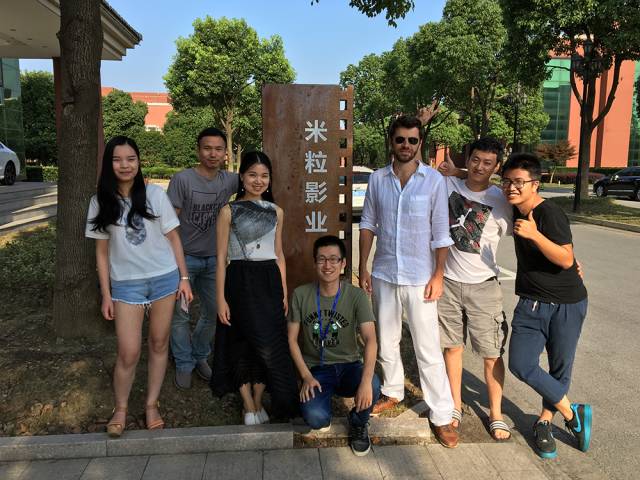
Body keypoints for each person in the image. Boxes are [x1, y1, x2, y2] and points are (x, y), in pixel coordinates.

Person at [359, 115, 458, 448]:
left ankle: (441, 414)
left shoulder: (434, 181)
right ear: (391, 141)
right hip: (384, 272)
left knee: (427, 347)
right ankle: (392, 390)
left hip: (420, 277)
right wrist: (363, 267)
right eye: (400, 139)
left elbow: (441, 232)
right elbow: (368, 224)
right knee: (386, 339)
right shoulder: (377, 179)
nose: (406, 145)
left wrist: (439, 275)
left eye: (412, 140)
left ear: (420, 143)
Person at [85, 136, 193, 437]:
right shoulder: (99, 202)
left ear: (138, 162)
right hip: (126, 285)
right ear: (109, 164)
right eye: (118, 159)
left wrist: (184, 278)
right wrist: (106, 294)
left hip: (164, 279)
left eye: (131, 159)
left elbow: (173, 238)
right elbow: (101, 253)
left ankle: (151, 405)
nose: (125, 165)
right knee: (128, 352)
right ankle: (120, 409)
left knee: (159, 343)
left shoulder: (155, 195)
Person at [501, 153, 590, 459]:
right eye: (507, 181)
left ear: (535, 184)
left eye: (519, 182)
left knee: (559, 366)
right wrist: (456, 170)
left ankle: (544, 422)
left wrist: (535, 235)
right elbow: (479, 177)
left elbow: (566, 258)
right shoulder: (512, 205)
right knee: (521, 363)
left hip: (567, 303)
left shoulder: (549, 213)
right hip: (531, 303)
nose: (511, 187)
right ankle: (572, 412)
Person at [210, 151, 298, 424]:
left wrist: (284, 291)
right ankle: (247, 404)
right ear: (242, 177)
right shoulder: (228, 211)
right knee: (239, 341)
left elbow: (279, 254)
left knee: (269, 344)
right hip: (239, 280)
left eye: (264, 176)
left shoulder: (276, 212)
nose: (258, 181)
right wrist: (221, 299)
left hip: (269, 282)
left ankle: (259, 400)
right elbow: (221, 258)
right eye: (252, 175)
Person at [436, 138, 513, 441]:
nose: (480, 167)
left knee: (492, 353)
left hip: (484, 287)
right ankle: (455, 405)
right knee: (452, 347)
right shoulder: (448, 185)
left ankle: (496, 413)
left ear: (496, 167)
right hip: (448, 283)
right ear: (467, 159)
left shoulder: (501, 200)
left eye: (488, 163)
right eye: (476, 160)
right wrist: (453, 172)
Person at [288, 235, 381, 456]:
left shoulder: (356, 296)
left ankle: (358, 422)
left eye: (333, 259)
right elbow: (291, 339)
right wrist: (305, 376)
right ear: (315, 263)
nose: (327, 265)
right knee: (316, 418)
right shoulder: (301, 294)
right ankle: (323, 409)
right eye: (321, 259)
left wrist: (365, 381)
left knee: (374, 384)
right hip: (318, 369)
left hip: (350, 366)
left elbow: (370, 339)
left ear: (343, 263)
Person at [167, 127, 238, 390]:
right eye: (207, 148)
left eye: (218, 149)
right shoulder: (182, 180)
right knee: (180, 315)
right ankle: (183, 363)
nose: (213, 154)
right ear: (198, 150)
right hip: (183, 258)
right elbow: (169, 223)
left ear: (225, 153)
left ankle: (199, 355)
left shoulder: (230, 181)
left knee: (214, 311)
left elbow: (259, 176)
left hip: (214, 261)